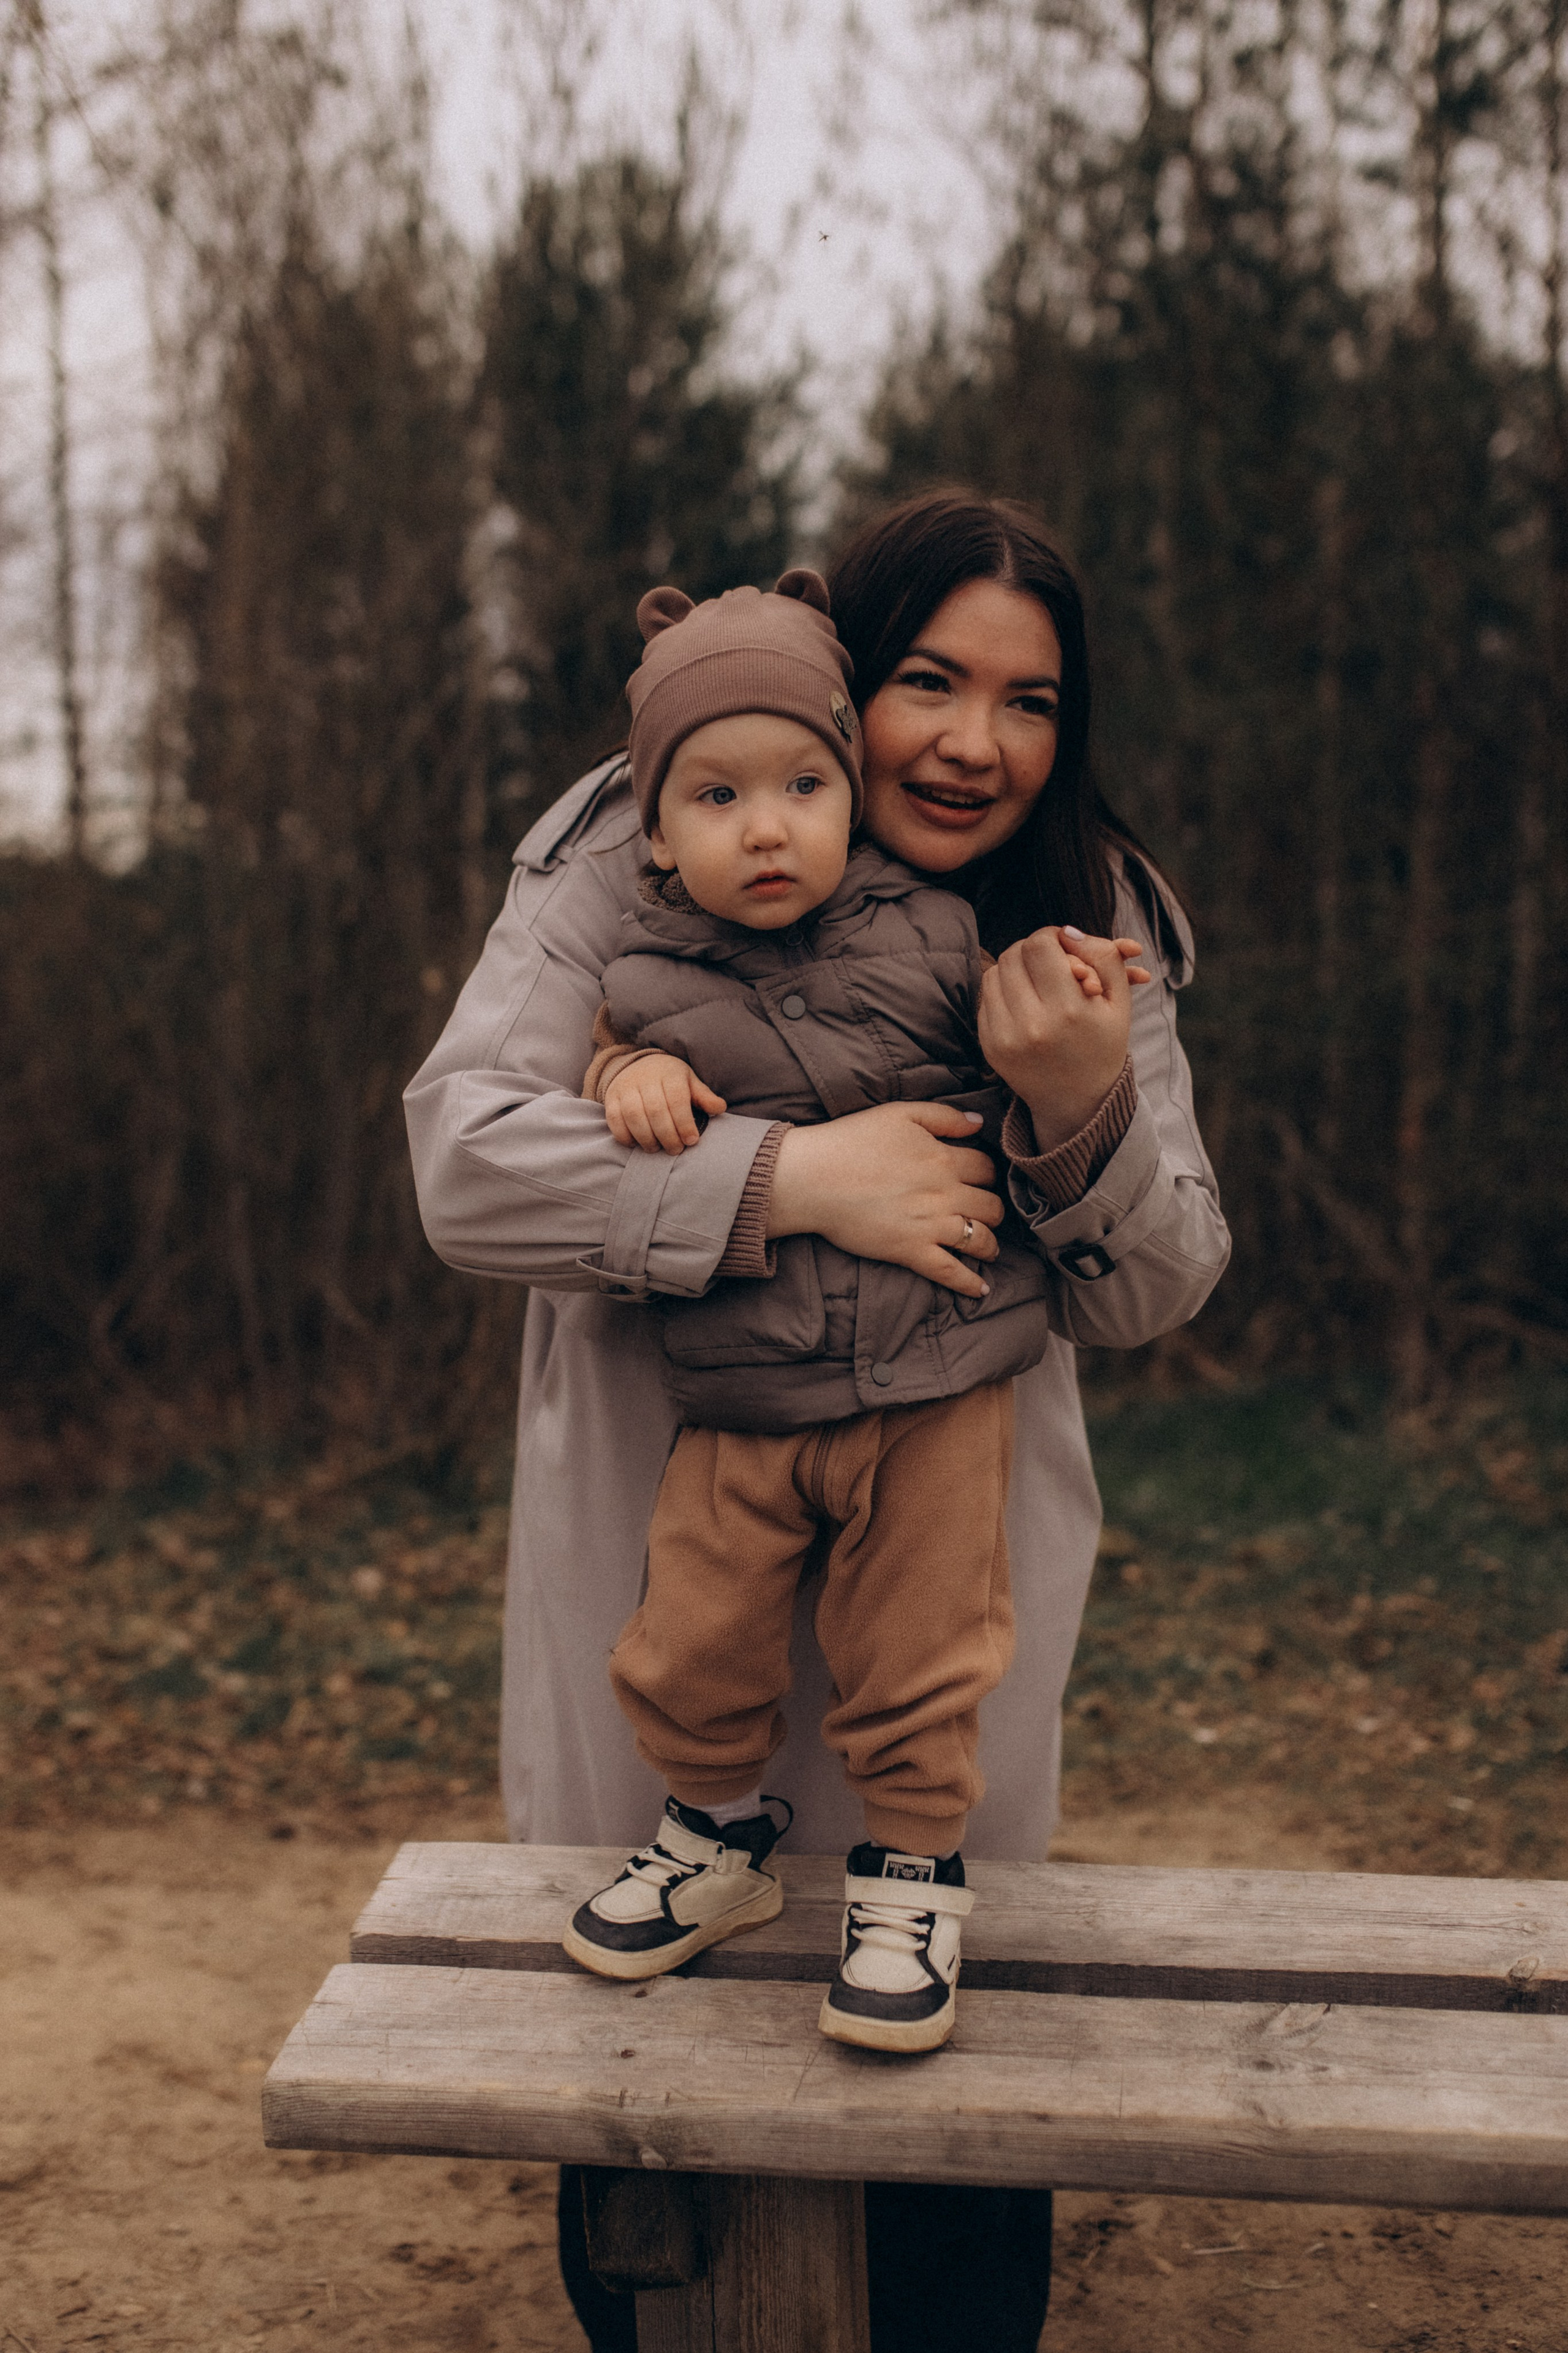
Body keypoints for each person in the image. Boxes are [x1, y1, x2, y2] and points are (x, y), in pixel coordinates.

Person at [404, 490, 1230, 2352]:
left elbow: (1162, 1283)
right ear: (840, 674)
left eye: (1030, 700)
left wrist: (1084, 1109)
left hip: (945, 1568)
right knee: (656, 2165)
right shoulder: (640, 846)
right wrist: (790, 1181)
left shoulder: (1079, 906)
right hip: (660, 1545)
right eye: (929, 679)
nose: (973, 741)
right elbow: (464, 1169)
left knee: (940, 2154)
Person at [561, 567, 1148, 2054]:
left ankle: (908, 1877)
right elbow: (588, 1093)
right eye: (714, 798)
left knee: (922, 1647)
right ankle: (711, 1838)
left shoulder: (948, 930)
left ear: (843, 786)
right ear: (657, 830)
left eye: (802, 786)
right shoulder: (636, 971)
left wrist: (1074, 1001)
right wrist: (618, 1081)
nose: (765, 826)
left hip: (938, 1377)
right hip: (742, 1394)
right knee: (685, 1643)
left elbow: (1028, 1016)